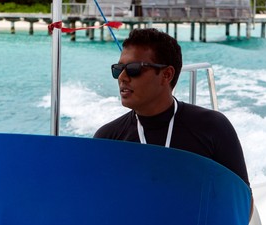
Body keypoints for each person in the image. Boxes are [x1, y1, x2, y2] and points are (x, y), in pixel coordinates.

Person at [94, 28, 250, 187]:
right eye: (118, 69)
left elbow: (242, 200)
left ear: (166, 75)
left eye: (134, 69)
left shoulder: (213, 127)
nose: (122, 77)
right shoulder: (108, 138)